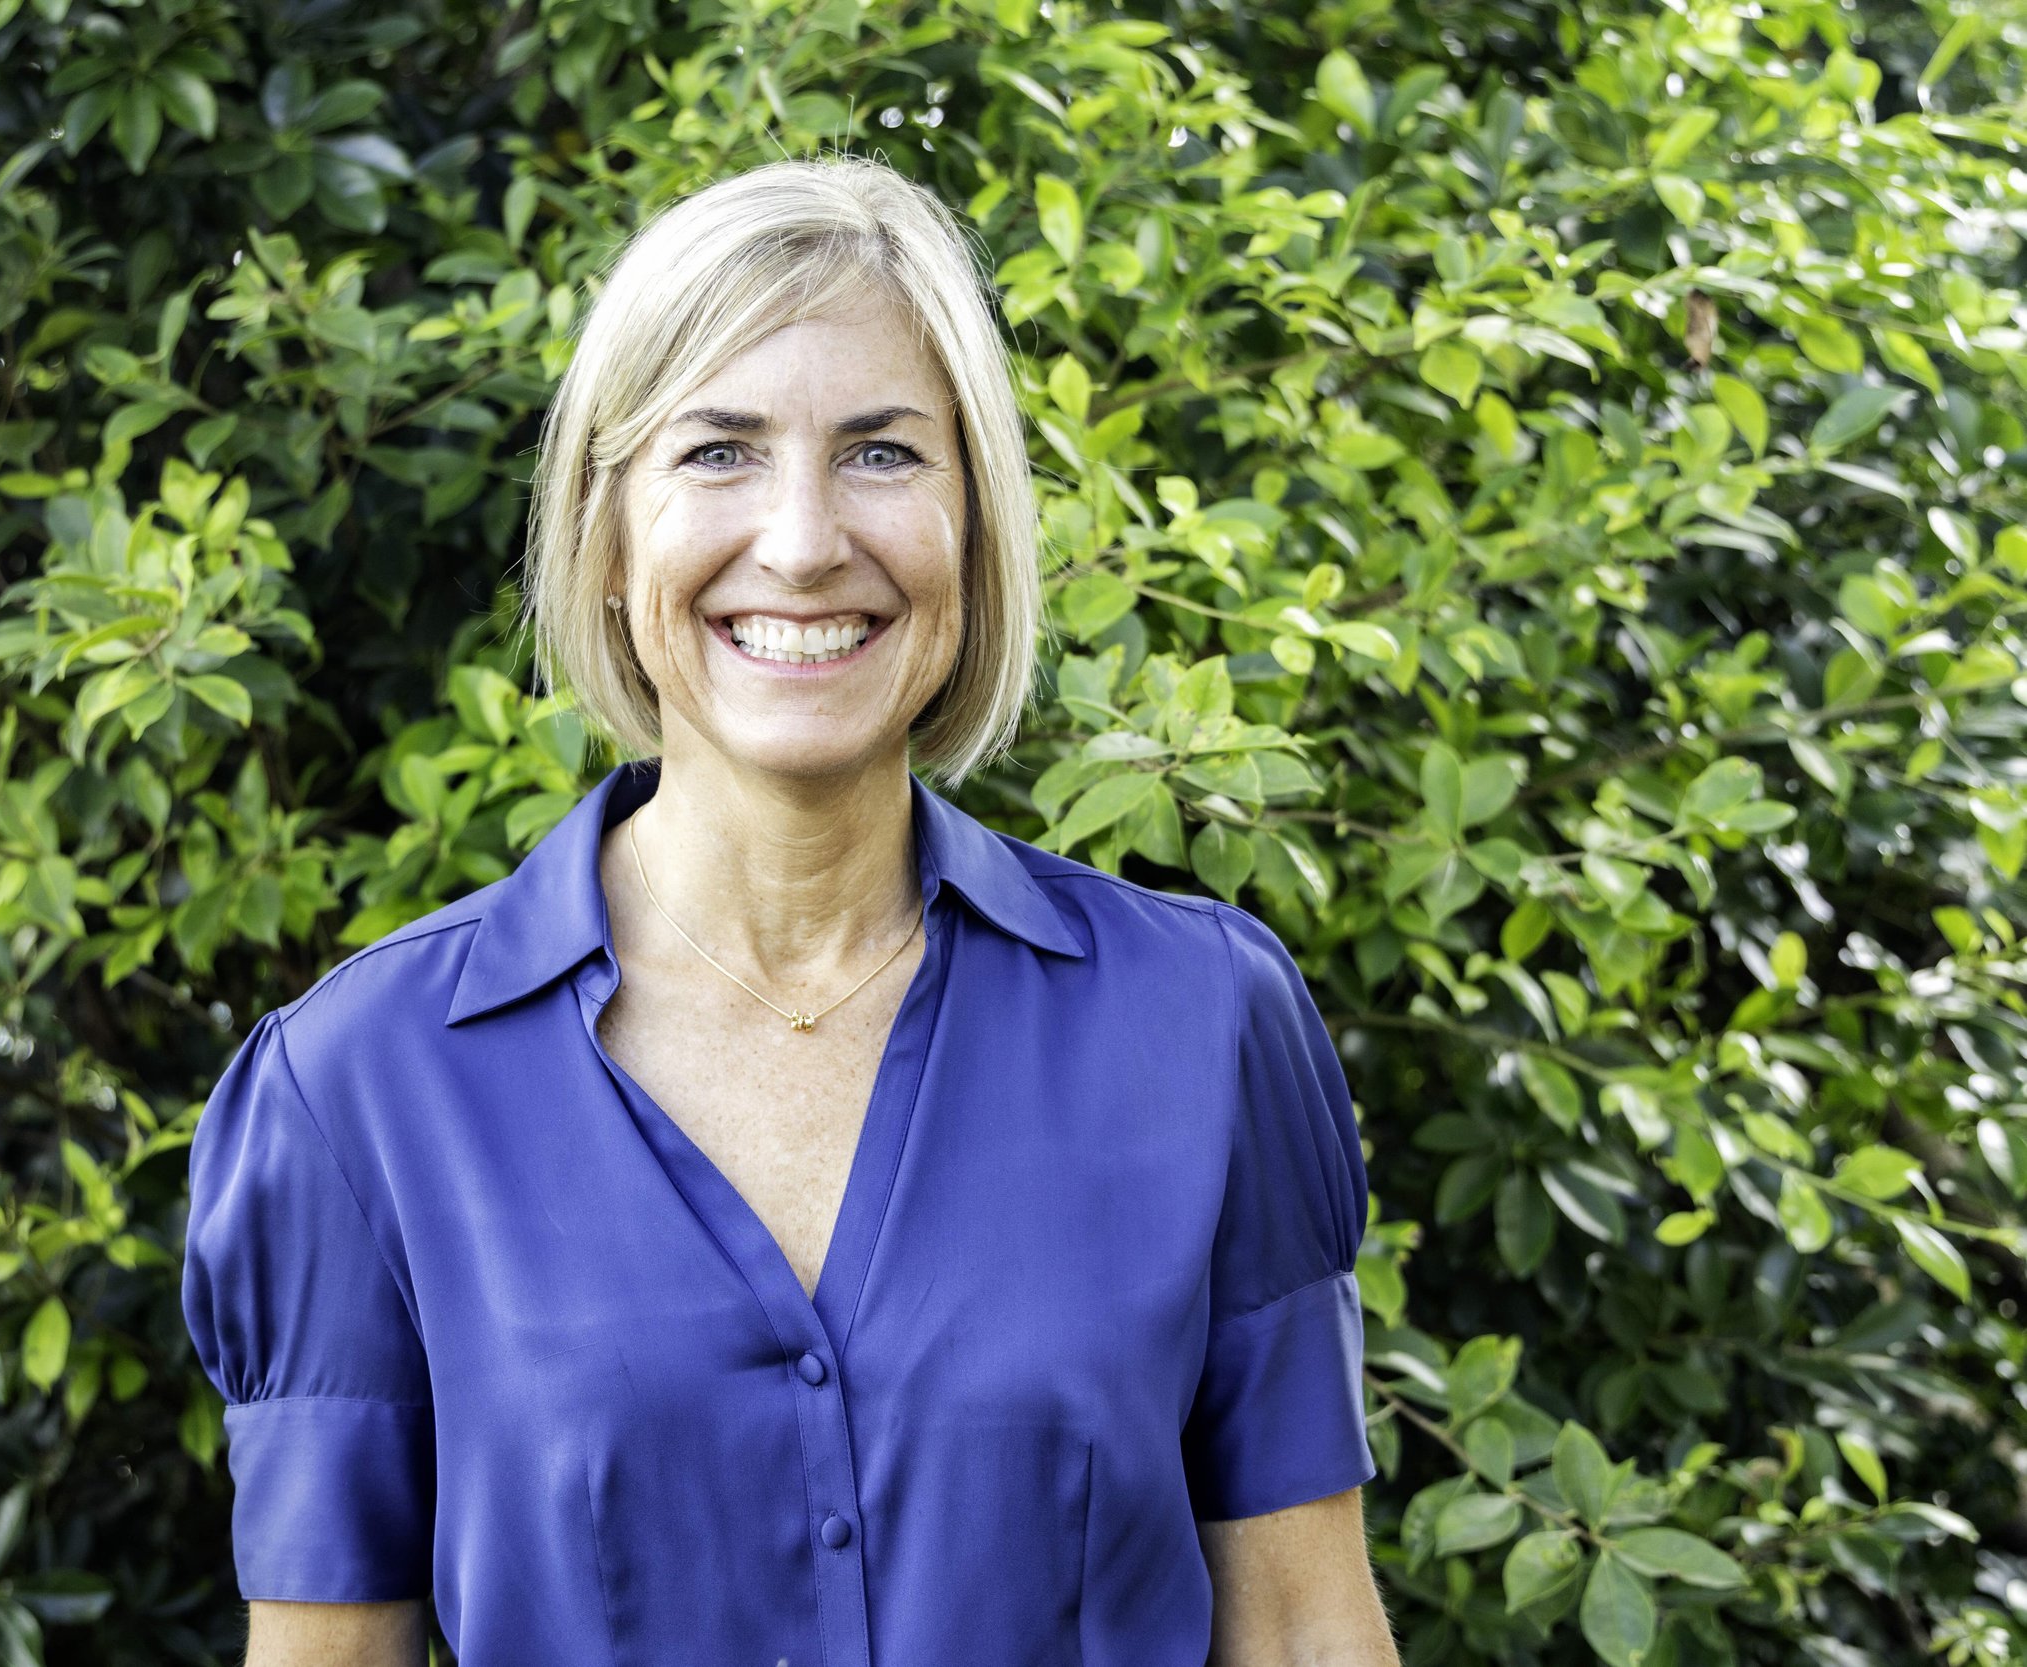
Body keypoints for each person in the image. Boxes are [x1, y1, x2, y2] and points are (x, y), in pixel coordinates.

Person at [180, 150, 1401, 1667]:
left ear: (975, 519)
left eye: (884, 453)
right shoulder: (357, 1089)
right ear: (609, 537)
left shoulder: (1204, 1025)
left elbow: (1301, 1634)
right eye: (719, 452)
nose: (808, 539)